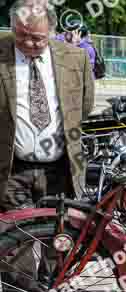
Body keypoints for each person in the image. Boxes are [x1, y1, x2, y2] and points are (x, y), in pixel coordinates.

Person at [0, 0, 95, 211]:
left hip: (60, 172)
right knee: (16, 240)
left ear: (52, 31)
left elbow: (84, 107)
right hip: (11, 174)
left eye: (37, 38)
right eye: (20, 35)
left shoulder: (76, 59)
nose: (27, 43)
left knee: (59, 237)